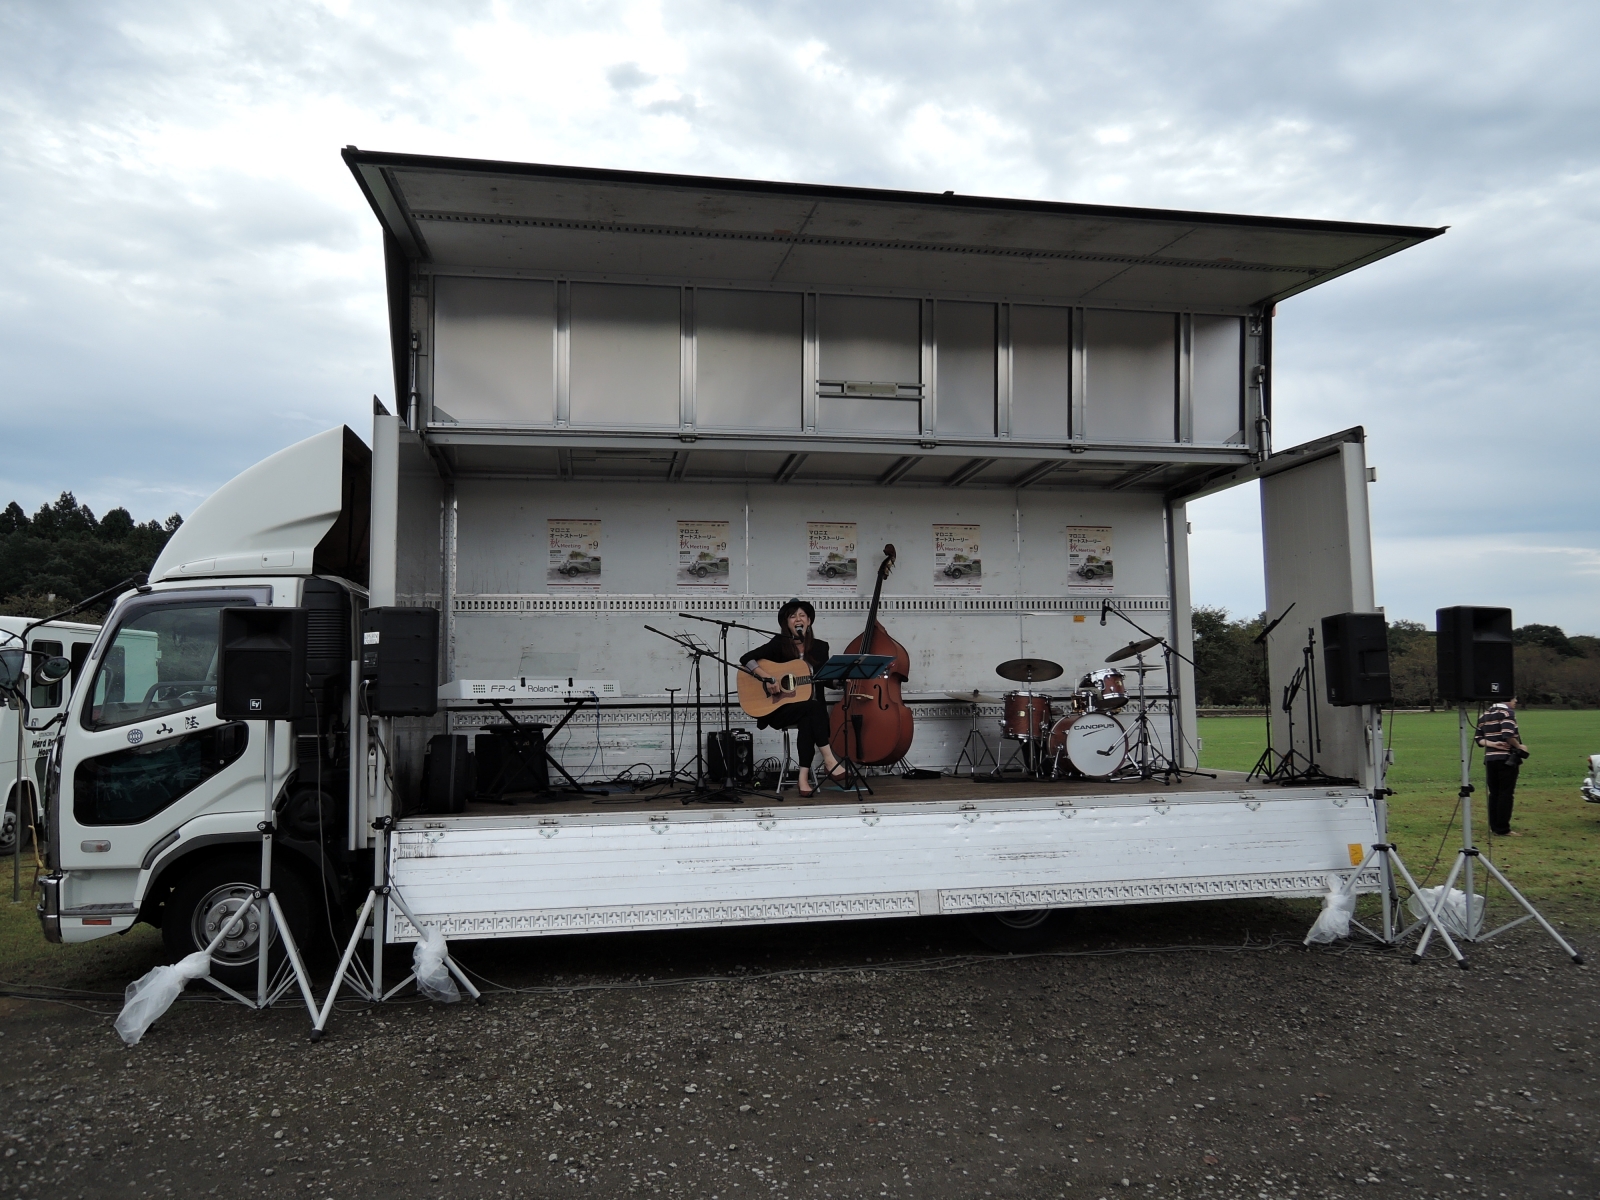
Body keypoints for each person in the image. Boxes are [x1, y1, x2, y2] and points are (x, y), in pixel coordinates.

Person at [740, 598, 846, 797]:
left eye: (802, 615)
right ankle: (829, 760)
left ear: (809, 621)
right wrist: (767, 678)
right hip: (779, 708)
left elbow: (822, 679)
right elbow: (746, 659)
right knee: (813, 709)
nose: (798, 619)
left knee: (809, 717)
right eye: (792, 616)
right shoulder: (778, 644)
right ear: (786, 623)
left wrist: (839, 682)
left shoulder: (821, 647)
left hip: (810, 710)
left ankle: (802, 778)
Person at [1475, 697, 1529, 836]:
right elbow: (1508, 735)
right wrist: (1520, 747)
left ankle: (1494, 826)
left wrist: (1493, 744)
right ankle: (1503, 828)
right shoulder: (1507, 713)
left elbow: (1478, 739)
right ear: (1507, 699)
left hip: (1490, 759)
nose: (1516, 701)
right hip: (1506, 759)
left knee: (1494, 793)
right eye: (1514, 698)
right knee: (1506, 794)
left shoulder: (1484, 715)